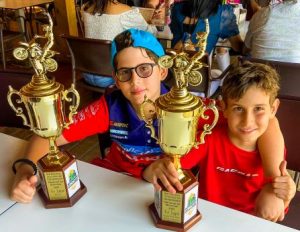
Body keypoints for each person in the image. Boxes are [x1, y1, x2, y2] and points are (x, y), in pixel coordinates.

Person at [10, 29, 286, 205]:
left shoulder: (189, 108)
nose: (135, 80)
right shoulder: (110, 106)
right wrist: (25, 169)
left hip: (161, 192)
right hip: (113, 184)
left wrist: (274, 180)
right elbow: (47, 135)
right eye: (124, 73)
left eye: (144, 69)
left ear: (162, 71)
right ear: (116, 80)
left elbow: (266, 122)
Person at [143, 62, 296, 221]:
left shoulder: (272, 150)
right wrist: (157, 170)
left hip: (251, 222)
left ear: (273, 109)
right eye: (238, 108)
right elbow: (172, 168)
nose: (247, 122)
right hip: (207, 217)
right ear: (223, 107)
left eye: (258, 109)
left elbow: (275, 211)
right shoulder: (209, 138)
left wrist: (286, 194)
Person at [80, 0, 157, 88]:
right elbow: (150, 34)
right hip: (110, 77)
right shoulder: (126, 12)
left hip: (86, 72)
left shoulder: (85, 8)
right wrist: (152, 22)